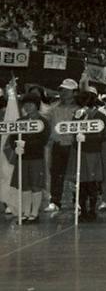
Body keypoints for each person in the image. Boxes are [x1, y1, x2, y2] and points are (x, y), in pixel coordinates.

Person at [6, 93, 49, 222]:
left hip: (36, 157)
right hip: (22, 158)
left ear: (37, 106)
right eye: (26, 104)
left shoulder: (43, 122)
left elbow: (43, 140)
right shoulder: (19, 122)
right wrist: (16, 147)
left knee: (36, 184)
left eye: (31, 104)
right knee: (24, 185)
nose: (28, 106)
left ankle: (34, 213)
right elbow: (12, 138)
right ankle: (25, 212)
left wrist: (27, 145)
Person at [69, 89, 106, 223]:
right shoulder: (78, 115)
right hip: (80, 152)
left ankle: (92, 209)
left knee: (92, 183)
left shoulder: (100, 116)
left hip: (93, 153)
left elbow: (104, 135)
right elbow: (72, 131)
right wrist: (76, 139)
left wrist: (88, 139)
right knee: (81, 183)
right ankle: (83, 210)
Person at [44, 78, 79, 212]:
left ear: (74, 92)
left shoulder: (79, 108)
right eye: (62, 90)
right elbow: (47, 125)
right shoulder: (53, 108)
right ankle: (55, 201)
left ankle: (77, 201)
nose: (63, 93)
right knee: (56, 173)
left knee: (75, 173)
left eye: (67, 90)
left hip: (73, 145)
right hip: (58, 145)